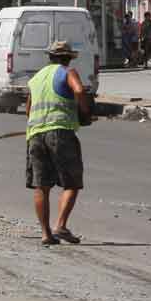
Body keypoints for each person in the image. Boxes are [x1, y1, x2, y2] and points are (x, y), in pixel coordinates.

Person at [25, 41, 91, 246]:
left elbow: (29, 108)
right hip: (60, 133)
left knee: (41, 185)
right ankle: (60, 225)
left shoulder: (36, 78)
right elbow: (79, 91)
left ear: (50, 57)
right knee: (72, 182)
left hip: (35, 133)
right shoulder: (67, 72)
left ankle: (46, 234)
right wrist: (84, 112)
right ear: (68, 57)